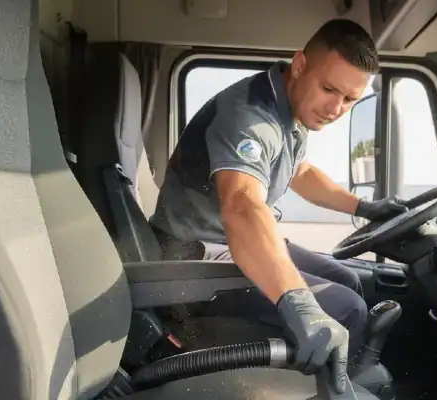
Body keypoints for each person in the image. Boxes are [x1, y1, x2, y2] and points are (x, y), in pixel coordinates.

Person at [149, 19, 407, 392]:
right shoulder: (250, 117)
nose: (336, 108)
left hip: (225, 241)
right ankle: (332, 388)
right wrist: (297, 302)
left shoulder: (292, 110)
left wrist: (364, 207)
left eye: (350, 99)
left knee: (347, 278)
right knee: (346, 306)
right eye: (329, 89)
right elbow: (241, 204)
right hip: (195, 257)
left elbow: (300, 172)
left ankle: (342, 376)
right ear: (300, 65)